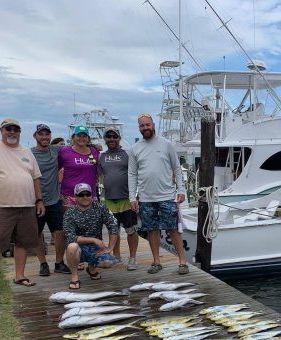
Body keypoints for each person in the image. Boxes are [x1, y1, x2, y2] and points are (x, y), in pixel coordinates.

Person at [0, 118, 45, 295]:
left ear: (20, 132)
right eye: (9, 129)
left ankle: (19, 275)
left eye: (16, 129)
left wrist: (39, 200)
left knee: (23, 242)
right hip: (2, 207)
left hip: (27, 205)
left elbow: (36, 178)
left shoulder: (27, 152)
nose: (12, 132)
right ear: (1, 131)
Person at [128, 113, 188, 274]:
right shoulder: (135, 148)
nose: (145, 128)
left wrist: (181, 190)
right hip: (146, 198)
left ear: (153, 125)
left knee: (173, 229)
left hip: (167, 195)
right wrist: (132, 197)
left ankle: (182, 261)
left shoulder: (166, 144)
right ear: (139, 128)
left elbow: (176, 168)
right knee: (151, 230)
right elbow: (132, 174)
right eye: (142, 125)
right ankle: (156, 261)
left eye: (147, 125)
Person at [30, 123, 71, 276]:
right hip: (35, 200)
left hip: (54, 200)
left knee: (60, 231)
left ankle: (59, 262)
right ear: (35, 136)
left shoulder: (56, 150)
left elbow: (75, 147)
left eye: (47, 134)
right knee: (37, 233)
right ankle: (43, 263)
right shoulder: (29, 154)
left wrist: (94, 146)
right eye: (41, 134)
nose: (44, 137)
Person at [98, 126, 139, 271]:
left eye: (114, 136)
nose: (111, 139)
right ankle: (116, 256)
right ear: (105, 139)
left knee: (131, 230)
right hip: (109, 199)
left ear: (119, 138)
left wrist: (135, 196)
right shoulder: (101, 155)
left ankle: (133, 258)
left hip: (127, 199)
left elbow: (136, 173)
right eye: (108, 137)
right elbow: (98, 175)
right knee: (112, 230)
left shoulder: (127, 153)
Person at [63, 183, 117, 289]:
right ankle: (74, 277)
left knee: (109, 262)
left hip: (95, 248)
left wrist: (110, 247)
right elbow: (70, 236)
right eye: (81, 195)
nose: (85, 197)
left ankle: (91, 268)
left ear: (91, 195)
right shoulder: (69, 213)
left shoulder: (101, 208)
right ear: (75, 197)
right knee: (72, 246)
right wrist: (93, 240)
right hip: (78, 247)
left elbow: (113, 225)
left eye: (88, 194)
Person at [57, 126, 99, 208]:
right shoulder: (64, 151)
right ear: (73, 137)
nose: (81, 138)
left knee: (91, 221)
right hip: (69, 195)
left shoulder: (94, 151)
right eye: (79, 136)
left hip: (89, 196)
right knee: (70, 220)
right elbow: (56, 169)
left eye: (84, 136)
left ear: (88, 139)